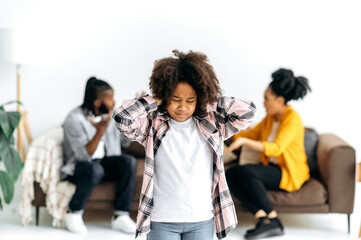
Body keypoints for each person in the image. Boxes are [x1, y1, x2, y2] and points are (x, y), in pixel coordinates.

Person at [112, 50, 256, 239]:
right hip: (161, 219)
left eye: (190, 100)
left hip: (202, 219)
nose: (183, 107)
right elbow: (122, 117)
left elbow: (248, 111)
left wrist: (208, 100)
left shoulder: (213, 124)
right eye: (175, 99)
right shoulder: (153, 125)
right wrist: (156, 99)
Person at [225, 68, 311, 239]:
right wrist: (224, 134)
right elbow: (249, 134)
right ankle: (262, 217)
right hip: (271, 169)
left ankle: (274, 220)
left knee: (247, 171)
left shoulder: (292, 119)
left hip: (288, 172)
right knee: (232, 173)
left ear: (280, 100)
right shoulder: (270, 119)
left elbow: (277, 148)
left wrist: (243, 143)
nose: (263, 103)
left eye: (267, 99)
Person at [60, 77, 137, 234]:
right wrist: (100, 131)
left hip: (105, 162)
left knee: (129, 162)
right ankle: (73, 212)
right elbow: (83, 155)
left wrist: (132, 120)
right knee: (95, 169)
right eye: (110, 99)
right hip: (81, 167)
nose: (114, 102)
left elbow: (125, 143)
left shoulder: (111, 115)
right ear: (97, 103)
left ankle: (120, 216)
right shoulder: (74, 120)